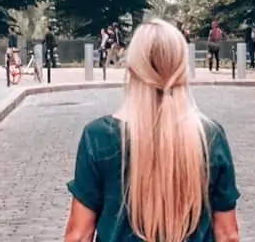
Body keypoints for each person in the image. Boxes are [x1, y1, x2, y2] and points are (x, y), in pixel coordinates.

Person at [63, 19, 241, 242]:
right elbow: (227, 234)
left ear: (131, 69)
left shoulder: (99, 136)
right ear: (182, 68)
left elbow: (79, 235)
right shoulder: (210, 136)